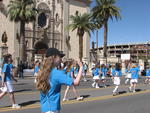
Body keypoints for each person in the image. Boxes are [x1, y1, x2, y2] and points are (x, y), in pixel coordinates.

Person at [36, 48, 83, 113]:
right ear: (54, 57)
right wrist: (81, 67)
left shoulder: (42, 72)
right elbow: (76, 82)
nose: (61, 59)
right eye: (60, 57)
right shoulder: (57, 73)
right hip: (53, 109)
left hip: (45, 109)